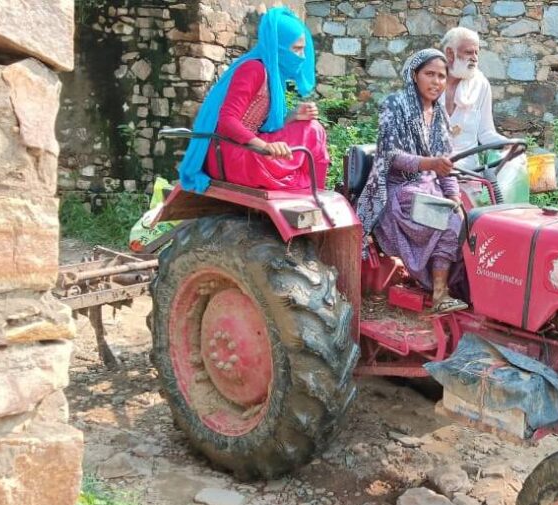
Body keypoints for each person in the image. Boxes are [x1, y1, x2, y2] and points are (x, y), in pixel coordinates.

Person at [356, 49, 469, 315]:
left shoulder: (440, 114)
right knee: (449, 221)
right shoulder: (394, 104)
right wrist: (429, 164)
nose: (436, 81)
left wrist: (454, 197)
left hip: (430, 187)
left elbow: (446, 164)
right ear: (414, 75)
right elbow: (390, 155)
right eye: (430, 74)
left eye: (442, 76)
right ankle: (440, 294)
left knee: (468, 219)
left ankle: (463, 290)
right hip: (397, 190)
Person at [178, 7, 330, 193]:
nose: (302, 57)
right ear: (278, 46)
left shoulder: (272, 74)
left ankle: (315, 189)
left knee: (312, 128)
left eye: (303, 50)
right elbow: (227, 121)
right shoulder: (253, 69)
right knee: (312, 138)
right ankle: (314, 189)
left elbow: (262, 124)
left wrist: (294, 115)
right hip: (231, 154)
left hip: (247, 147)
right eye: (296, 49)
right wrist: (265, 146)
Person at [439, 27, 507, 171]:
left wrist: (511, 145)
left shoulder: (480, 85)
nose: (475, 58)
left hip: (468, 172)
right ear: (450, 53)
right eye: (469, 52)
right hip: (431, 170)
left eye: (477, 53)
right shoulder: (430, 82)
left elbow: (486, 133)